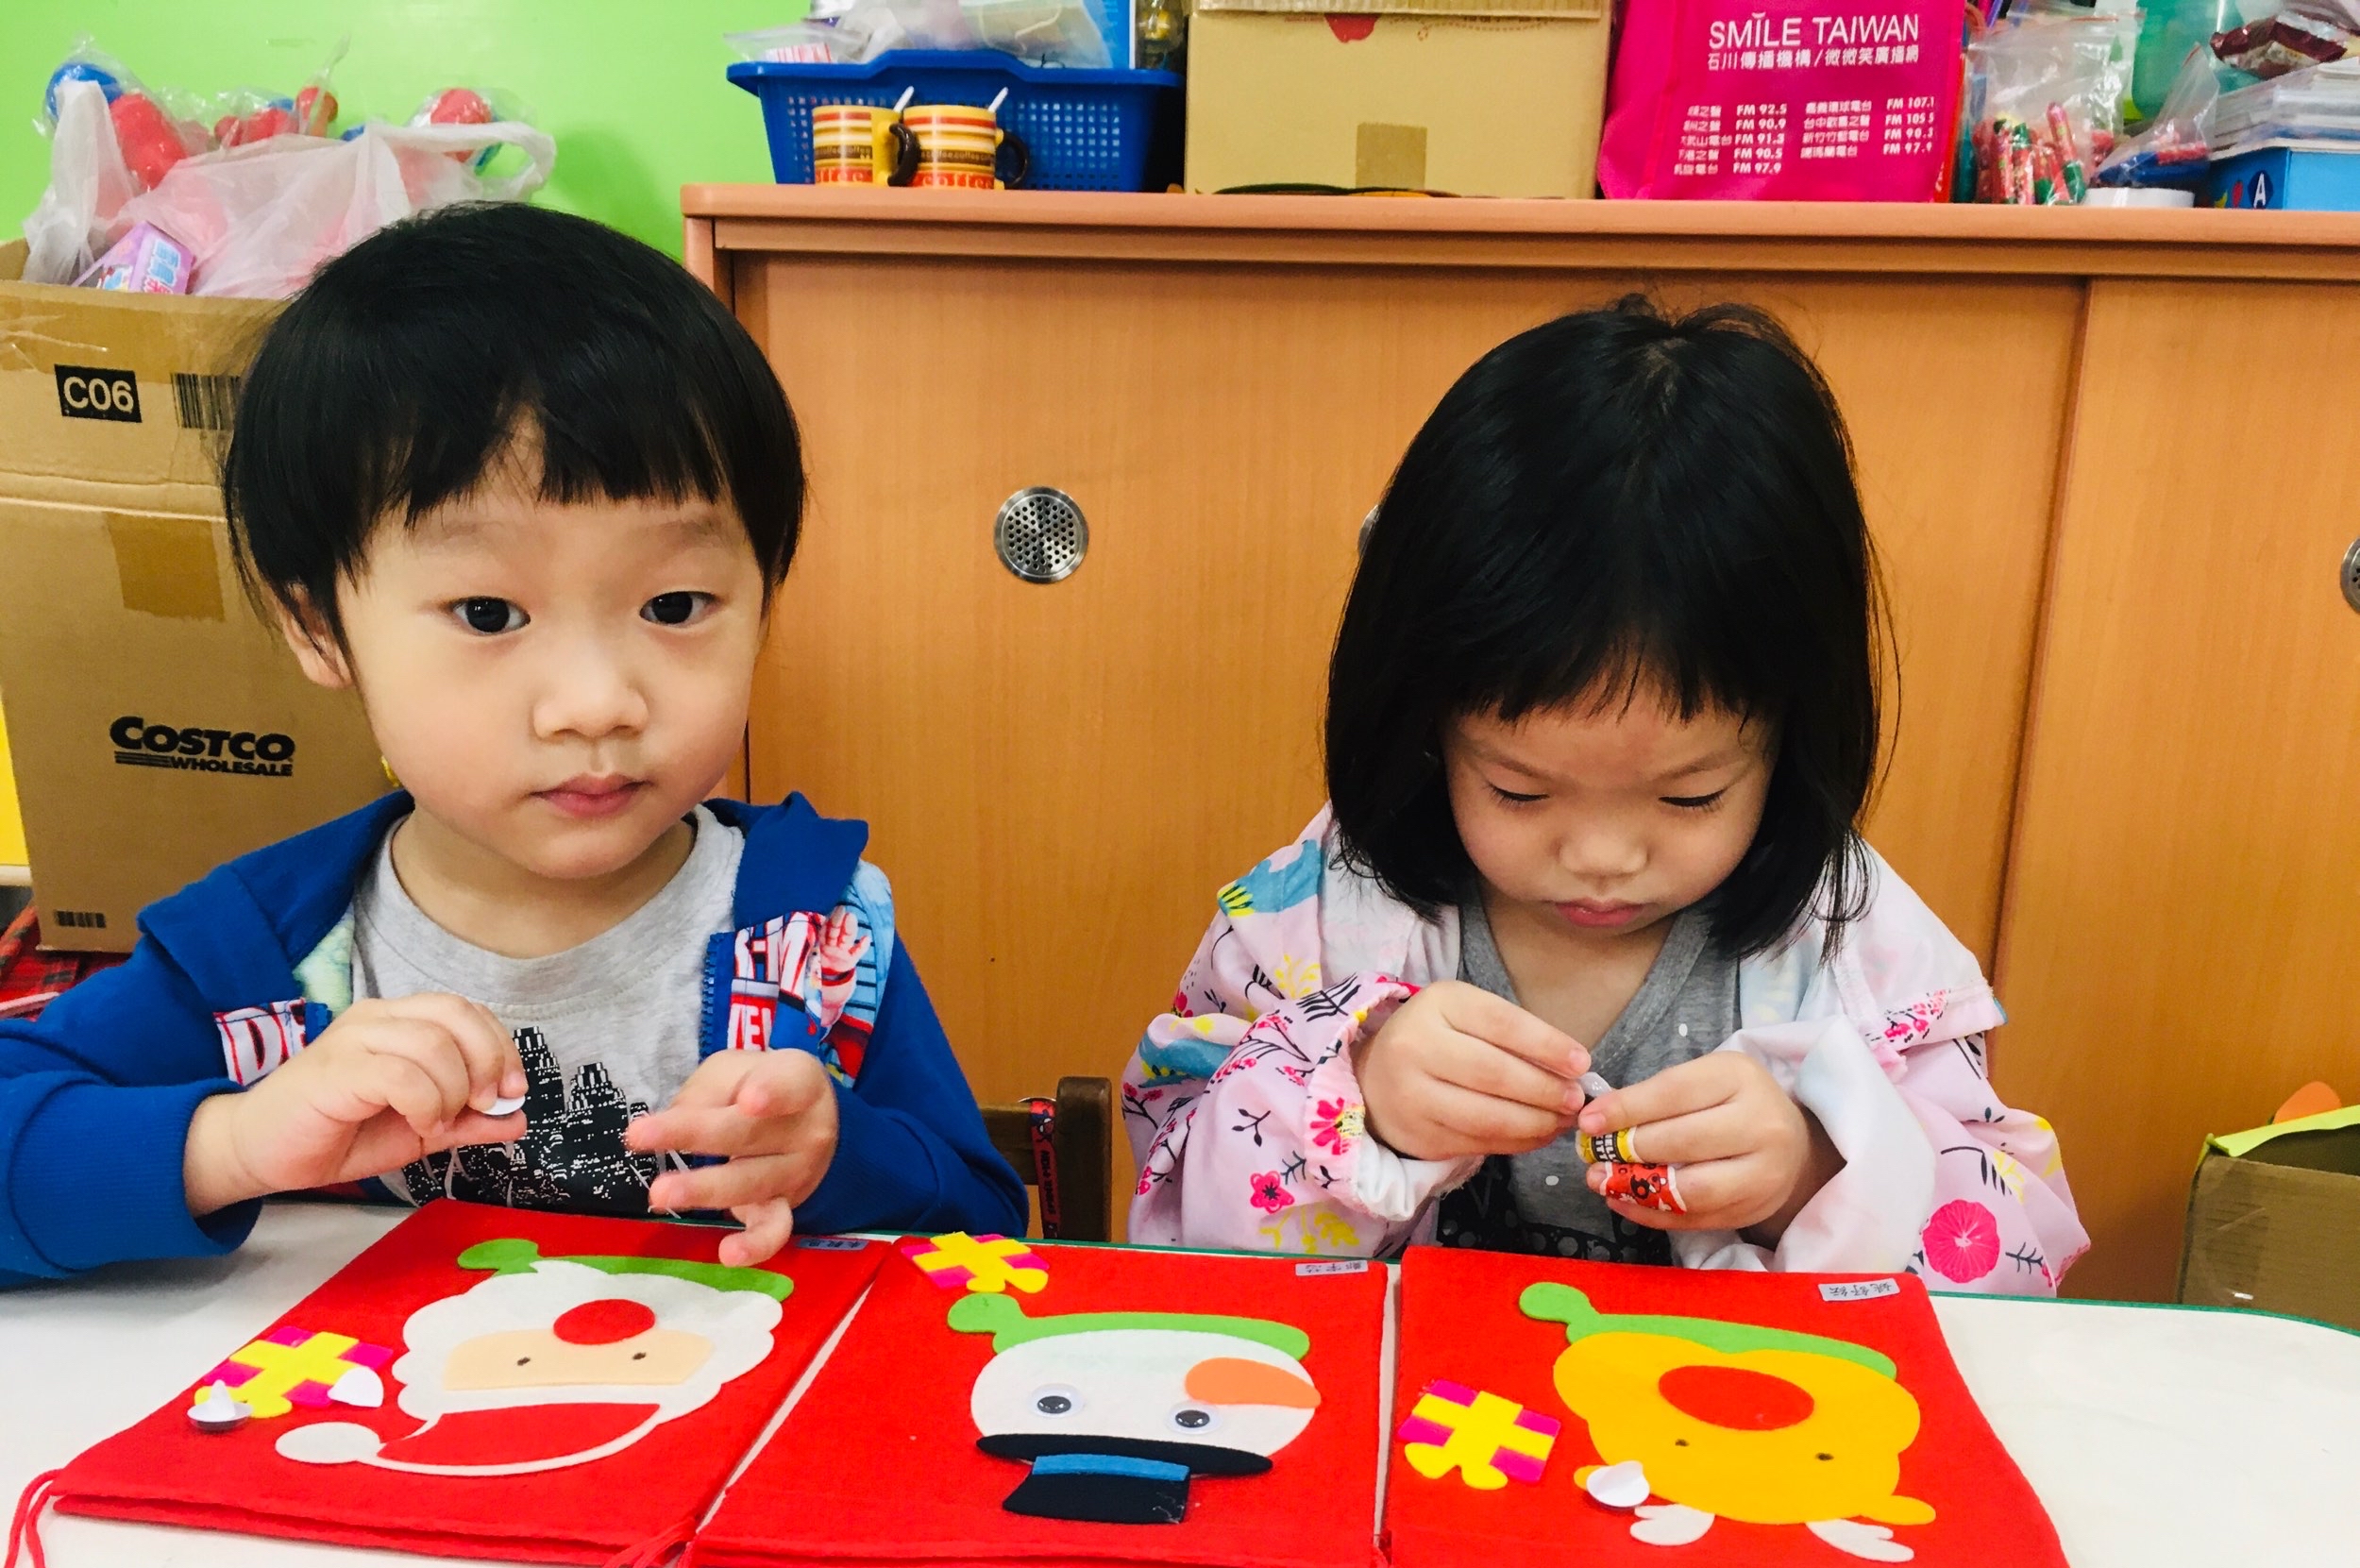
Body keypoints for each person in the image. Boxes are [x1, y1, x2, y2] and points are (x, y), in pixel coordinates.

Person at [0, 204, 1024, 1288]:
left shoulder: (819, 933)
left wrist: (839, 1157)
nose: (595, 704)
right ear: (316, 625)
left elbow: (990, 1230)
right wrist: (234, 1142)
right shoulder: (253, 961)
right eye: (488, 614)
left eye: (676, 604)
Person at [1124, 298, 2084, 1292]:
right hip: (1393, 1393)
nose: (1602, 857)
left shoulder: (1851, 942)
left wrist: (1812, 1173)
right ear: (1424, 725)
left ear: (1791, 739)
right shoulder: (1317, 915)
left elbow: (2012, 1259)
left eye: (1690, 797)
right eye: (1518, 789)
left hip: (1723, 1395)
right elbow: (1169, 1220)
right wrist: (1356, 1098)